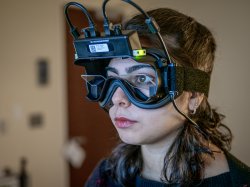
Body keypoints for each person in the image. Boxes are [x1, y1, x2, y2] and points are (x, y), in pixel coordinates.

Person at [81, 7, 250, 187]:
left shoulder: (239, 182)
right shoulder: (104, 176)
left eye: (141, 78)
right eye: (112, 78)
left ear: (194, 96)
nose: (117, 98)